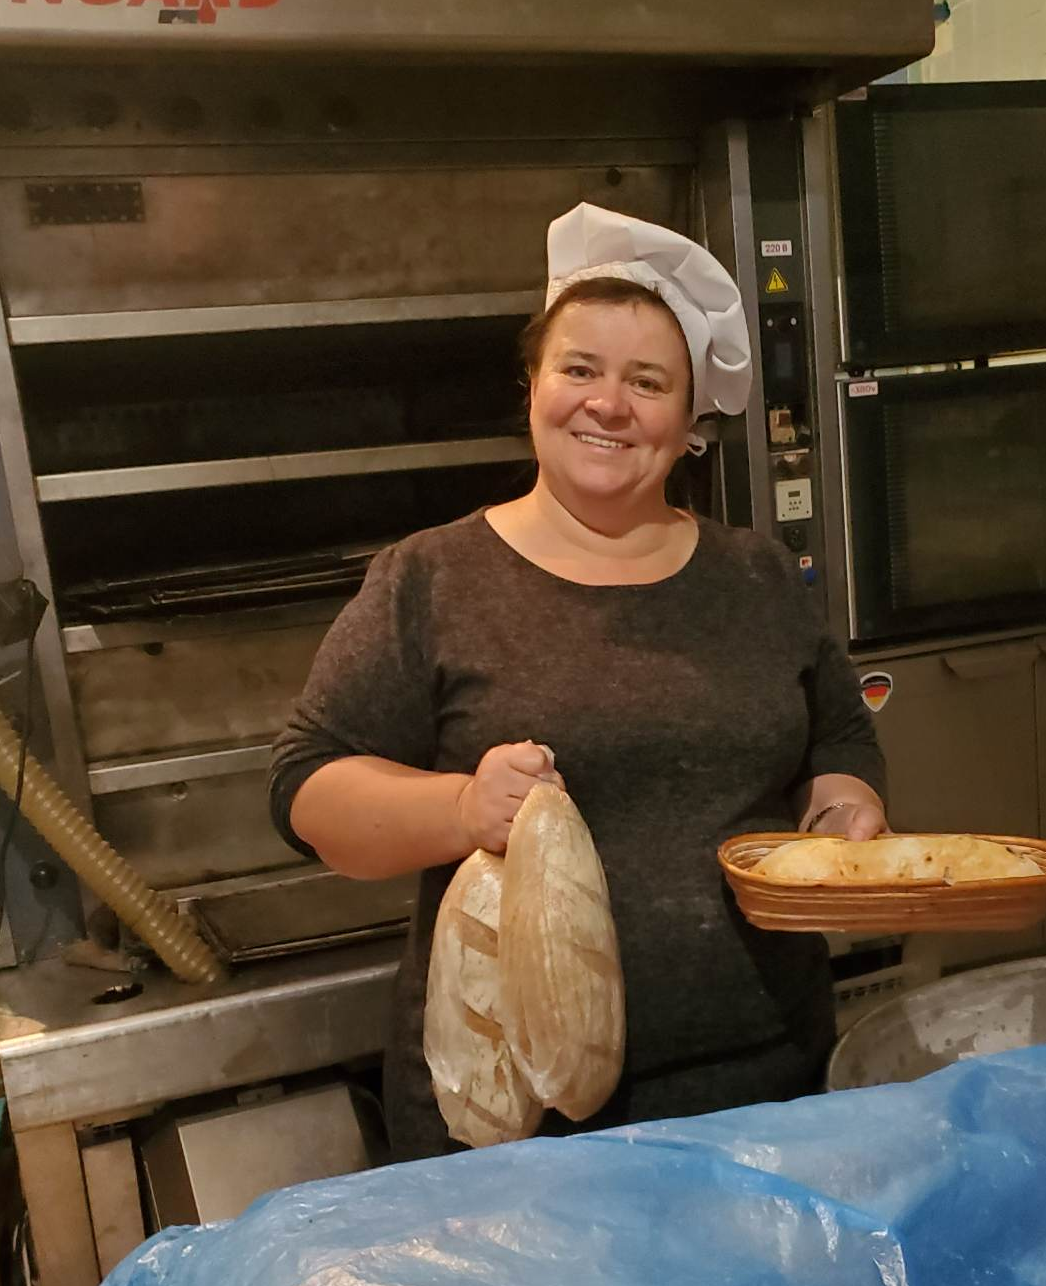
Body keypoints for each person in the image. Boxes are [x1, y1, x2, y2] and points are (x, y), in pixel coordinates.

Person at [269, 203, 888, 1160]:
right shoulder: (434, 577)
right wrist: (462, 808)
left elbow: (838, 737)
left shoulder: (758, 577)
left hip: (765, 1089)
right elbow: (308, 789)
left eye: (648, 382)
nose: (609, 405)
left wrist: (844, 808)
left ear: (689, 420)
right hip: (515, 1123)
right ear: (532, 388)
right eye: (580, 370)